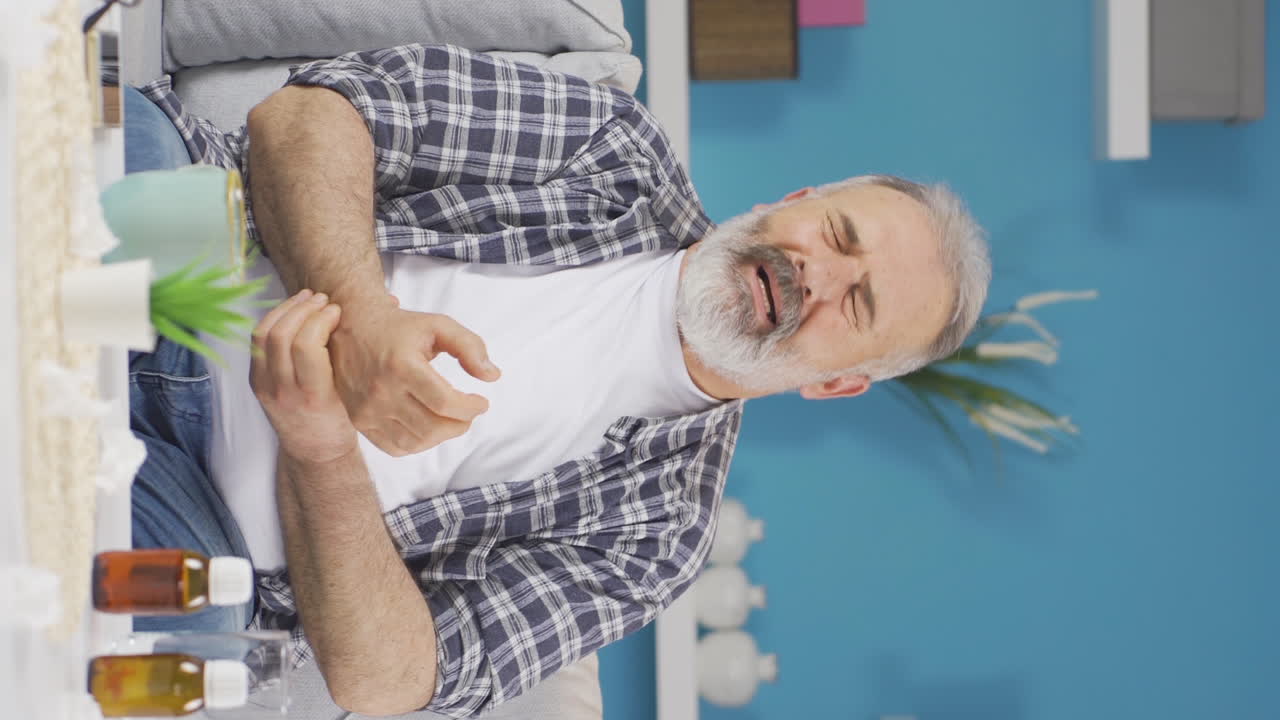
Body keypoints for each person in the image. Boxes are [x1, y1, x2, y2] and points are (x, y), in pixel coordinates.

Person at [126, 43, 990, 718]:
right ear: (798, 197)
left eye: (859, 303)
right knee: (124, 141)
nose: (817, 277)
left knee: (185, 638)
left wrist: (320, 452)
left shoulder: (659, 536)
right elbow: (307, 117)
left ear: (839, 386)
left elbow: (391, 675)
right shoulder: (616, 153)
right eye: (837, 233)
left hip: (194, 526)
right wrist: (362, 316)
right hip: (193, 235)